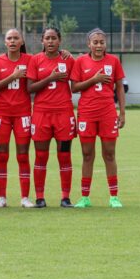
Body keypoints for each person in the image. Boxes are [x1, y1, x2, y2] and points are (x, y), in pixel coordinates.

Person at [70, 28, 125, 208]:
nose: (99, 45)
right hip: (87, 113)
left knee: (109, 154)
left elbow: (119, 88)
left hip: (108, 113)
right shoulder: (81, 62)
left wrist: (122, 113)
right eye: (95, 42)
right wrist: (94, 79)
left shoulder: (114, 61)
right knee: (87, 155)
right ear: (89, 44)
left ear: (106, 44)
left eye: (102, 42)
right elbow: (74, 87)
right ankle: (85, 197)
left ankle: (114, 197)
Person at [26, 26, 75, 209]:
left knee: (64, 156)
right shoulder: (35, 60)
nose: (51, 41)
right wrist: (50, 78)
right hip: (41, 114)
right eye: (47, 38)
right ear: (42, 41)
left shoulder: (68, 59)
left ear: (59, 40)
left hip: (64, 113)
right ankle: (40, 197)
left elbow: (77, 82)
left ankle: (65, 197)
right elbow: (30, 88)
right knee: (41, 156)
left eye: (54, 38)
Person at [0, 29, 34, 208]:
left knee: (23, 156)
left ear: (22, 41)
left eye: (16, 38)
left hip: (22, 114)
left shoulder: (30, 60)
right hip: (2, 114)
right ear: (5, 42)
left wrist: (64, 52)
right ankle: (2, 198)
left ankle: (25, 198)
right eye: (9, 38)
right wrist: (13, 76)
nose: (13, 41)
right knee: (2, 156)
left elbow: (49, 55)